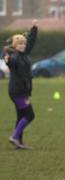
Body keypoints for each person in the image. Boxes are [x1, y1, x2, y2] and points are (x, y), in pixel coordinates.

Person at [4, 20, 38, 149]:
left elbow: (31, 42)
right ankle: (14, 137)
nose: (23, 45)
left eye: (24, 43)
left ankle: (19, 143)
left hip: (22, 91)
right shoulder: (14, 56)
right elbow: (11, 62)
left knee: (21, 116)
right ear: (15, 45)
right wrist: (7, 60)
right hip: (18, 92)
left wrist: (34, 29)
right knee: (30, 115)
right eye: (20, 44)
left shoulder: (23, 54)